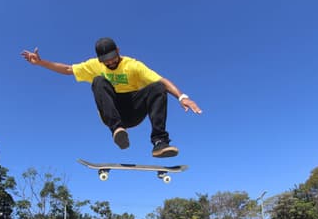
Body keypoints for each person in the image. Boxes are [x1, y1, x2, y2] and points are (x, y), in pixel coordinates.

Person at [21, 37, 202, 157]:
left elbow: (162, 80)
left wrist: (182, 97)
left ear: (118, 50)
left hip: (133, 110)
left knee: (157, 87)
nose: (110, 62)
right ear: (99, 59)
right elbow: (68, 69)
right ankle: (117, 130)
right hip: (113, 112)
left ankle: (160, 142)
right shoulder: (94, 65)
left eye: (113, 58)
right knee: (98, 80)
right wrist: (41, 62)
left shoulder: (133, 65)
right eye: (105, 61)